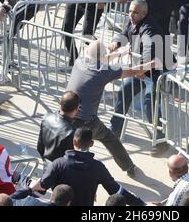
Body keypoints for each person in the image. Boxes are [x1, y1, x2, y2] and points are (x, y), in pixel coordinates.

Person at [65, 40, 154, 176]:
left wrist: (118, 53)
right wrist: (152, 64)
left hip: (66, 117)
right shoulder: (103, 72)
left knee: (72, 148)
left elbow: (100, 59)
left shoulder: (80, 60)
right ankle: (129, 167)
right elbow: (131, 71)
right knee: (110, 139)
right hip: (87, 122)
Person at [108, 0, 173, 154]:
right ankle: (115, 129)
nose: (131, 15)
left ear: (144, 13)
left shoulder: (149, 28)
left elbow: (149, 51)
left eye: (135, 12)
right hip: (142, 70)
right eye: (130, 11)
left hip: (157, 71)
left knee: (150, 103)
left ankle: (161, 140)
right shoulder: (134, 21)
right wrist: (115, 43)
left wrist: (139, 71)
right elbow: (125, 33)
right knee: (124, 91)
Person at [30, 128, 146, 206]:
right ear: (91, 144)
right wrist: (142, 204)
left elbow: (39, 190)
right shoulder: (98, 168)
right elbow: (117, 191)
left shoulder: (58, 164)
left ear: (74, 142)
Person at [37, 91, 79, 163]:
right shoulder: (71, 132)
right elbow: (71, 159)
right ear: (76, 109)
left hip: (47, 166)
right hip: (60, 171)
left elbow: (40, 147)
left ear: (60, 103)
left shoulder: (46, 118)